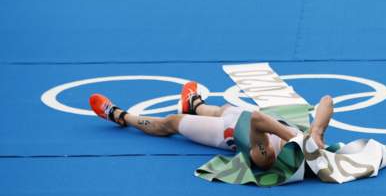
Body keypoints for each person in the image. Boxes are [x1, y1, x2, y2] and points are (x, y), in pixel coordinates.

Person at [89, 81, 333, 170]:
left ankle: (118, 115)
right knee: (220, 109)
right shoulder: (312, 142)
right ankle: (194, 104)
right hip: (241, 116)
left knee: (171, 124)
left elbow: (258, 120)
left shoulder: (267, 157)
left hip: (227, 133)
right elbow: (326, 101)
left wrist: (291, 137)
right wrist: (317, 131)